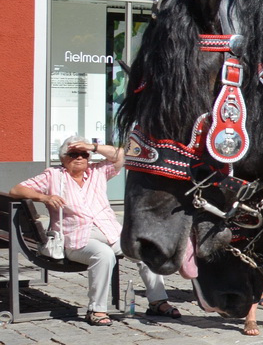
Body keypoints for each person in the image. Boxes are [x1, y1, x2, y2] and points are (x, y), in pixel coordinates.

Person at [9, 137, 177, 326]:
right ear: (63, 158)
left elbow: (122, 155)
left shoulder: (98, 171)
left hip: (110, 231)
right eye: (73, 154)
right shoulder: (54, 176)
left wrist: (94, 146)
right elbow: (16, 190)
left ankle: (158, 301)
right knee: (103, 255)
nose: (80, 158)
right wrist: (44, 197)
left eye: (84, 154)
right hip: (76, 238)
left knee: (146, 250)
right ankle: (96, 310)